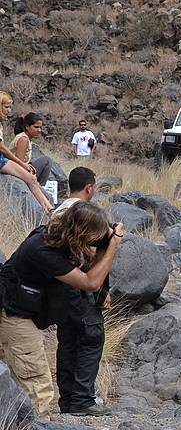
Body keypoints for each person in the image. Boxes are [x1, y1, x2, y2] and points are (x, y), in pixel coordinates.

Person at [0, 202, 123, 417]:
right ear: (81, 233)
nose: (95, 242)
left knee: (20, 375)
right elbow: (89, 282)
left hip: (21, 310)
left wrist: (103, 249)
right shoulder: (43, 249)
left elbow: (87, 269)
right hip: (12, 314)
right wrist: (112, 248)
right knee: (36, 380)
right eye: (94, 237)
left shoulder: (63, 238)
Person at [51, 168, 110, 416]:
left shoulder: (58, 210)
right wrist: (102, 291)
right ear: (89, 188)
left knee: (67, 341)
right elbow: (91, 258)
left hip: (60, 287)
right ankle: (83, 399)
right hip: (80, 286)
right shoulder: (83, 214)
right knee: (90, 338)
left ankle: (68, 399)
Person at [0, 93, 53, 214]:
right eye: (6, 107)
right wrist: (23, 165)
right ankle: (49, 209)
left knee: (32, 178)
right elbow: (2, 148)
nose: (9, 111)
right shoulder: (23, 139)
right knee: (33, 176)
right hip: (2, 160)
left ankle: (49, 209)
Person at [10, 112, 55, 203]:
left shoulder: (26, 138)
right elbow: (19, 163)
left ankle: (39, 187)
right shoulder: (23, 139)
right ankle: (38, 186)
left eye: (40, 127)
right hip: (16, 172)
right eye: (36, 127)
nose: (39, 130)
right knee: (46, 161)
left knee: (46, 160)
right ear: (27, 127)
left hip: (21, 169)